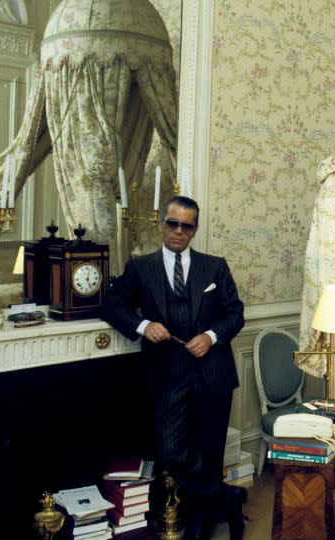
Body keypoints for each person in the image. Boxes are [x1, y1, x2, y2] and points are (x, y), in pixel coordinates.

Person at [103, 195, 246, 540]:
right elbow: (111, 304)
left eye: (187, 225)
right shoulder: (140, 267)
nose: (178, 231)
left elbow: (235, 313)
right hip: (168, 375)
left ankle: (201, 521)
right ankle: (228, 495)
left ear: (194, 230)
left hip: (213, 373)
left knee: (210, 451)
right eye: (173, 223)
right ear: (160, 224)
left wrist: (211, 337)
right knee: (170, 449)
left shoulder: (215, 267)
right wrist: (142, 326)